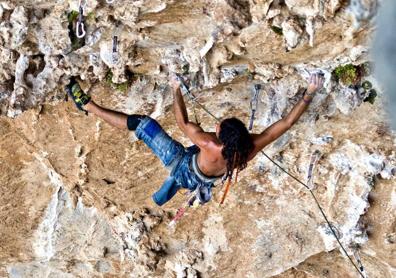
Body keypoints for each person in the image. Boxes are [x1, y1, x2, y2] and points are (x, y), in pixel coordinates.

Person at [66, 73, 324, 206]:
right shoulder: (248, 148)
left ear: (220, 137)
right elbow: (286, 123)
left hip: (183, 164)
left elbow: (182, 123)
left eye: (217, 127)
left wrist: (175, 88)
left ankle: (88, 107)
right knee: (188, 177)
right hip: (205, 175)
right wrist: (309, 93)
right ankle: (179, 187)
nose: (215, 125)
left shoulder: (210, 144)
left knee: (143, 124)